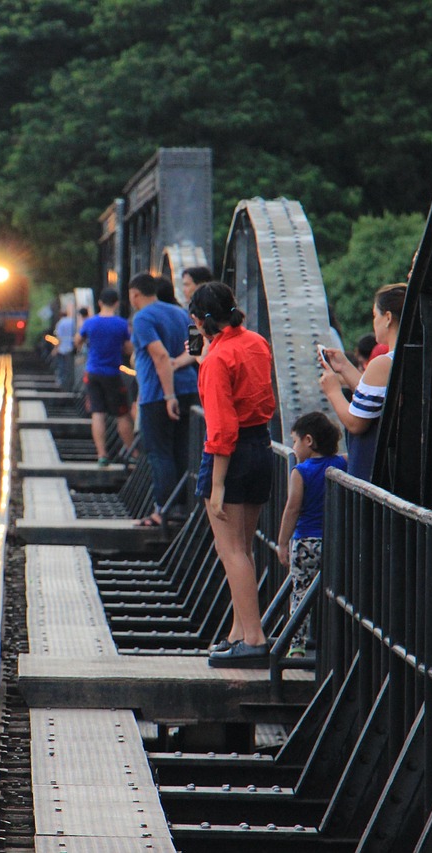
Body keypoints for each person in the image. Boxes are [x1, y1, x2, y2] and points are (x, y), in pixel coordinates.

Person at [188, 282, 277, 668]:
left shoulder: (217, 359)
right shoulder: (255, 342)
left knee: (231, 550)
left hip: (232, 455)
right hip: (261, 447)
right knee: (244, 547)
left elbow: (221, 428)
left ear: (198, 321)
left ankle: (253, 638)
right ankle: (239, 633)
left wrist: (218, 484)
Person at [318, 283, 406, 481]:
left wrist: (332, 391)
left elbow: (356, 423)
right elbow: (376, 401)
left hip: (374, 472)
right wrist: (345, 367)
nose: (374, 321)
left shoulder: (383, 363)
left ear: (388, 318)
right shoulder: (409, 357)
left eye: (376, 315)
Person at [275, 412, 346, 657]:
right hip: (334, 542)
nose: (293, 447)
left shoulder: (300, 471)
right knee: (335, 594)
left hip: (305, 542)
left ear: (308, 440)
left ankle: (297, 645)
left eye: (295, 441)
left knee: (300, 592)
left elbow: (292, 508)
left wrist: (282, 543)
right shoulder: (340, 465)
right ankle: (336, 647)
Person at [128, 273, 195, 527]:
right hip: (190, 387)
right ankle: (181, 508)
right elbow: (197, 348)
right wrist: (181, 363)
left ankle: (162, 510)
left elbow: (159, 357)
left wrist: (168, 395)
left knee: (159, 452)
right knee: (181, 450)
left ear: (135, 294)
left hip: (158, 394)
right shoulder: (180, 313)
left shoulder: (143, 317)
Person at [77, 287, 134, 467]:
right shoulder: (122, 324)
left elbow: (76, 342)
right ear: (117, 303)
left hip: (92, 373)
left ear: (100, 303)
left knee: (97, 413)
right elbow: (129, 348)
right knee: (122, 413)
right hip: (112, 374)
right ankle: (132, 451)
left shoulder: (90, 323)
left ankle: (102, 455)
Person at [52, 305, 76, 390]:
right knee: (69, 367)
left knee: (61, 366)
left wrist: (55, 348)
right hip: (71, 347)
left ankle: (61, 382)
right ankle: (69, 383)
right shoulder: (72, 321)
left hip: (62, 348)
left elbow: (59, 337)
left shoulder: (60, 323)